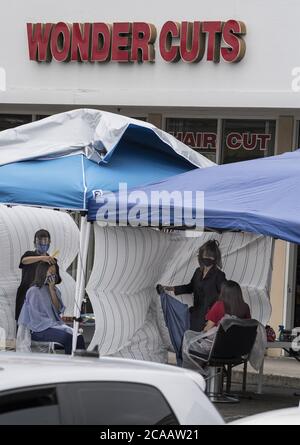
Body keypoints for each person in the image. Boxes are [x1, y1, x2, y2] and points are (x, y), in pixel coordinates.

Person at [18, 261, 85, 354]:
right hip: (38, 330)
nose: (53, 274)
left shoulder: (54, 289)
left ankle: (81, 365)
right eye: (50, 271)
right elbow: (36, 319)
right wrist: (53, 324)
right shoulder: (33, 291)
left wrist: (51, 289)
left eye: (54, 272)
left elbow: (57, 310)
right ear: (42, 272)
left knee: (79, 337)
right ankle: (70, 366)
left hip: (52, 325)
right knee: (68, 338)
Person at [182, 280, 251, 369]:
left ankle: (194, 374)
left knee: (189, 338)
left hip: (217, 352)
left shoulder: (219, 305)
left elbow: (207, 329)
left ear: (223, 292)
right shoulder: (245, 307)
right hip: (236, 352)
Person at [161, 239, 226, 331]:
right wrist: (171, 288)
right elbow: (190, 287)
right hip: (195, 314)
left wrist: (213, 318)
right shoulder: (197, 272)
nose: (208, 258)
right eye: (206, 255)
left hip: (209, 317)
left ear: (215, 258)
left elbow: (224, 296)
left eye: (211, 256)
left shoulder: (219, 275)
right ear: (201, 256)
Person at [15, 229, 56, 320]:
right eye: (39, 241)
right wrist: (42, 258)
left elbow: (55, 279)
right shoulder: (29, 254)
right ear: (34, 243)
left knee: (40, 326)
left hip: (41, 299)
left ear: (49, 242)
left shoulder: (52, 260)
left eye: (45, 241)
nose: (43, 244)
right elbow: (24, 261)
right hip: (25, 294)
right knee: (22, 324)